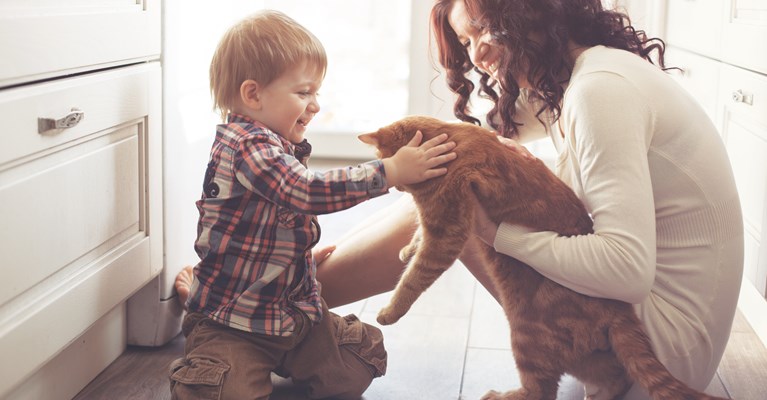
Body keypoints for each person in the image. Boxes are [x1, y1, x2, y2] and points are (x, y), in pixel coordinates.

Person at [317, 0, 743, 399]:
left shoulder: (600, 90)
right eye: (466, 42)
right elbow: (464, 138)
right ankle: (298, 281)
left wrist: (498, 235)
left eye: (483, 30)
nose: (477, 55)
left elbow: (626, 270)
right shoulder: (575, 75)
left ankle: (283, 303)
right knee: (444, 176)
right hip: (636, 326)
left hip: (654, 351)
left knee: (453, 213)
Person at [168, 10, 457, 400]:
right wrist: (388, 171)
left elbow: (275, 221)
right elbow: (304, 190)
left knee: (357, 364)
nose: (316, 104)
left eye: (316, 92)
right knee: (221, 392)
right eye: (304, 93)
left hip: (289, 317)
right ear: (253, 94)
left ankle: (234, 324)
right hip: (233, 321)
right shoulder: (246, 145)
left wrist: (297, 262)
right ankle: (203, 325)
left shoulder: (274, 143)